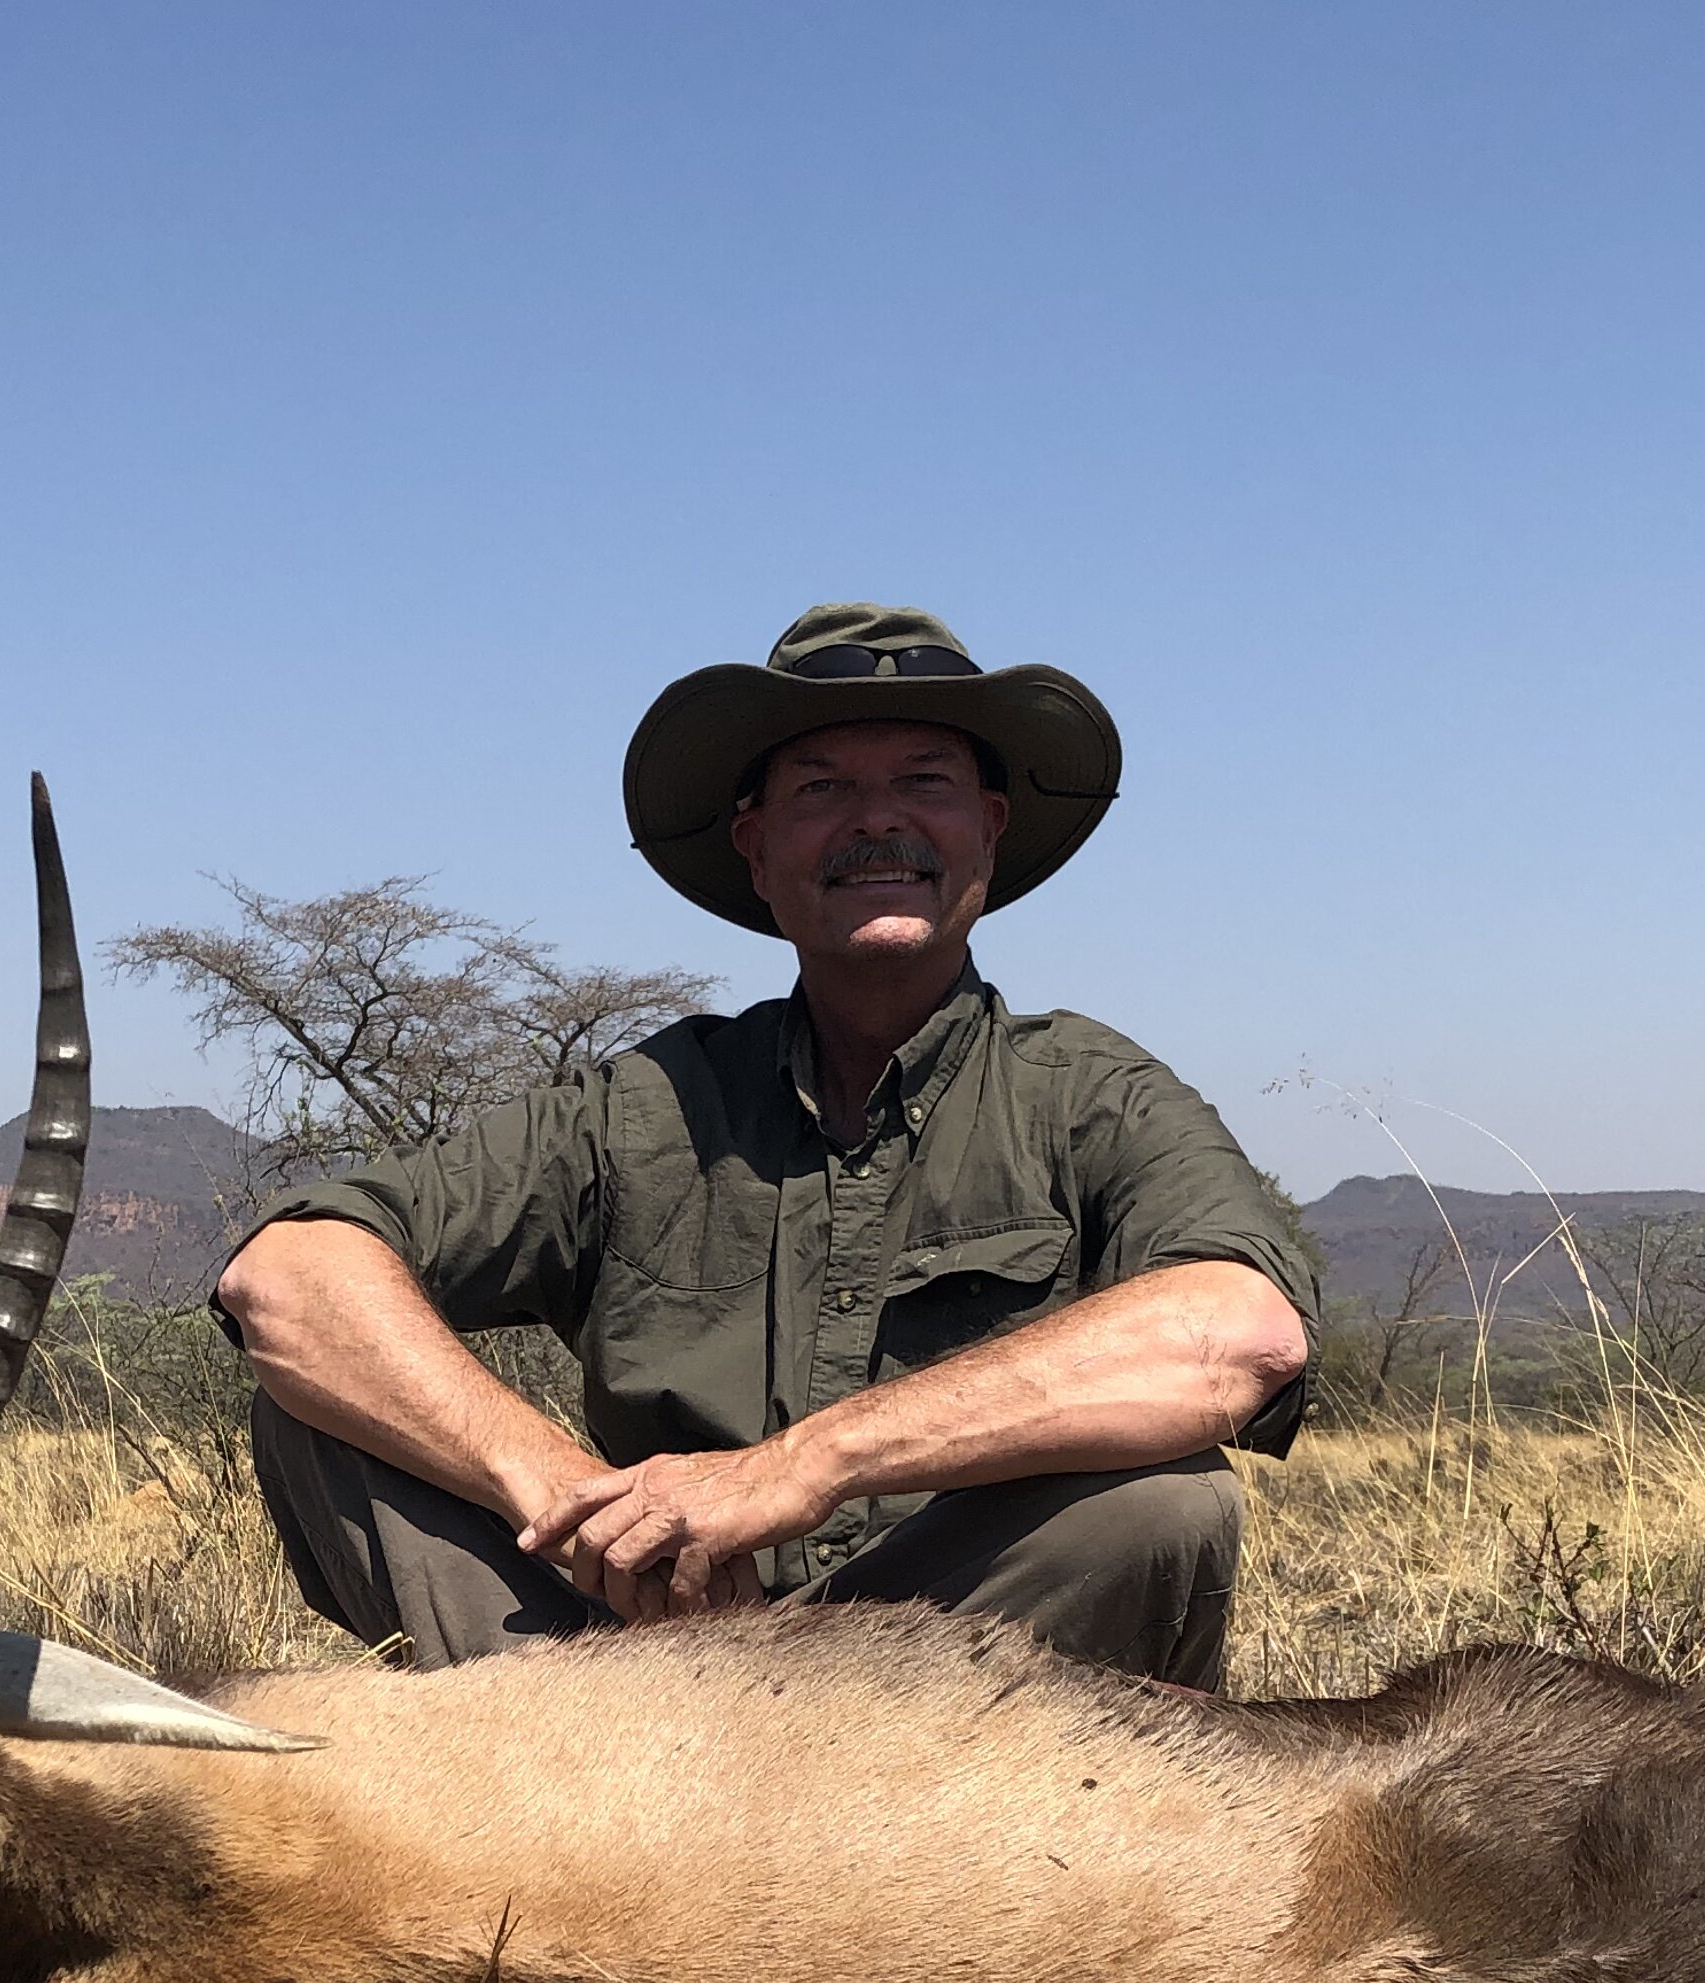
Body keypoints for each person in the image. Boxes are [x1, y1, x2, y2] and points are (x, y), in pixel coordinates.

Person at [210, 602, 1315, 1688]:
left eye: (923, 783)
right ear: (755, 846)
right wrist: (566, 1498)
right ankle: (573, 1790)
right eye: (823, 789)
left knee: (1163, 1503)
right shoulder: (642, 1104)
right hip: (627, 1657)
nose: (876, 821)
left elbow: (1239, 1334)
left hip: (948, 1691)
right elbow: (289, 1274)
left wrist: (803, 1468)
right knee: (318, 1408)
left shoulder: (1091, 1092)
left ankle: (854, 1843)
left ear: (990, 826)